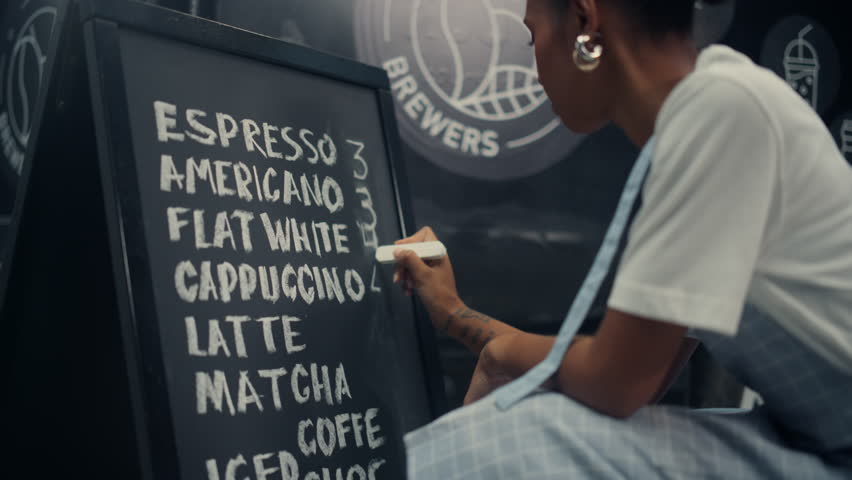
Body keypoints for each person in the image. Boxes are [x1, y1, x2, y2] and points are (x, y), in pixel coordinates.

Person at [391, 0, 852, 478]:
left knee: (515, 440)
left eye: (532, 38)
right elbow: (630, 374)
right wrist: (454, 314)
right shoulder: (715, 108)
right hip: (816, 444)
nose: (534, 68)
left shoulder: (722, 109)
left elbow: (615, 384)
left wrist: (497, 351)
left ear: (585, 20)